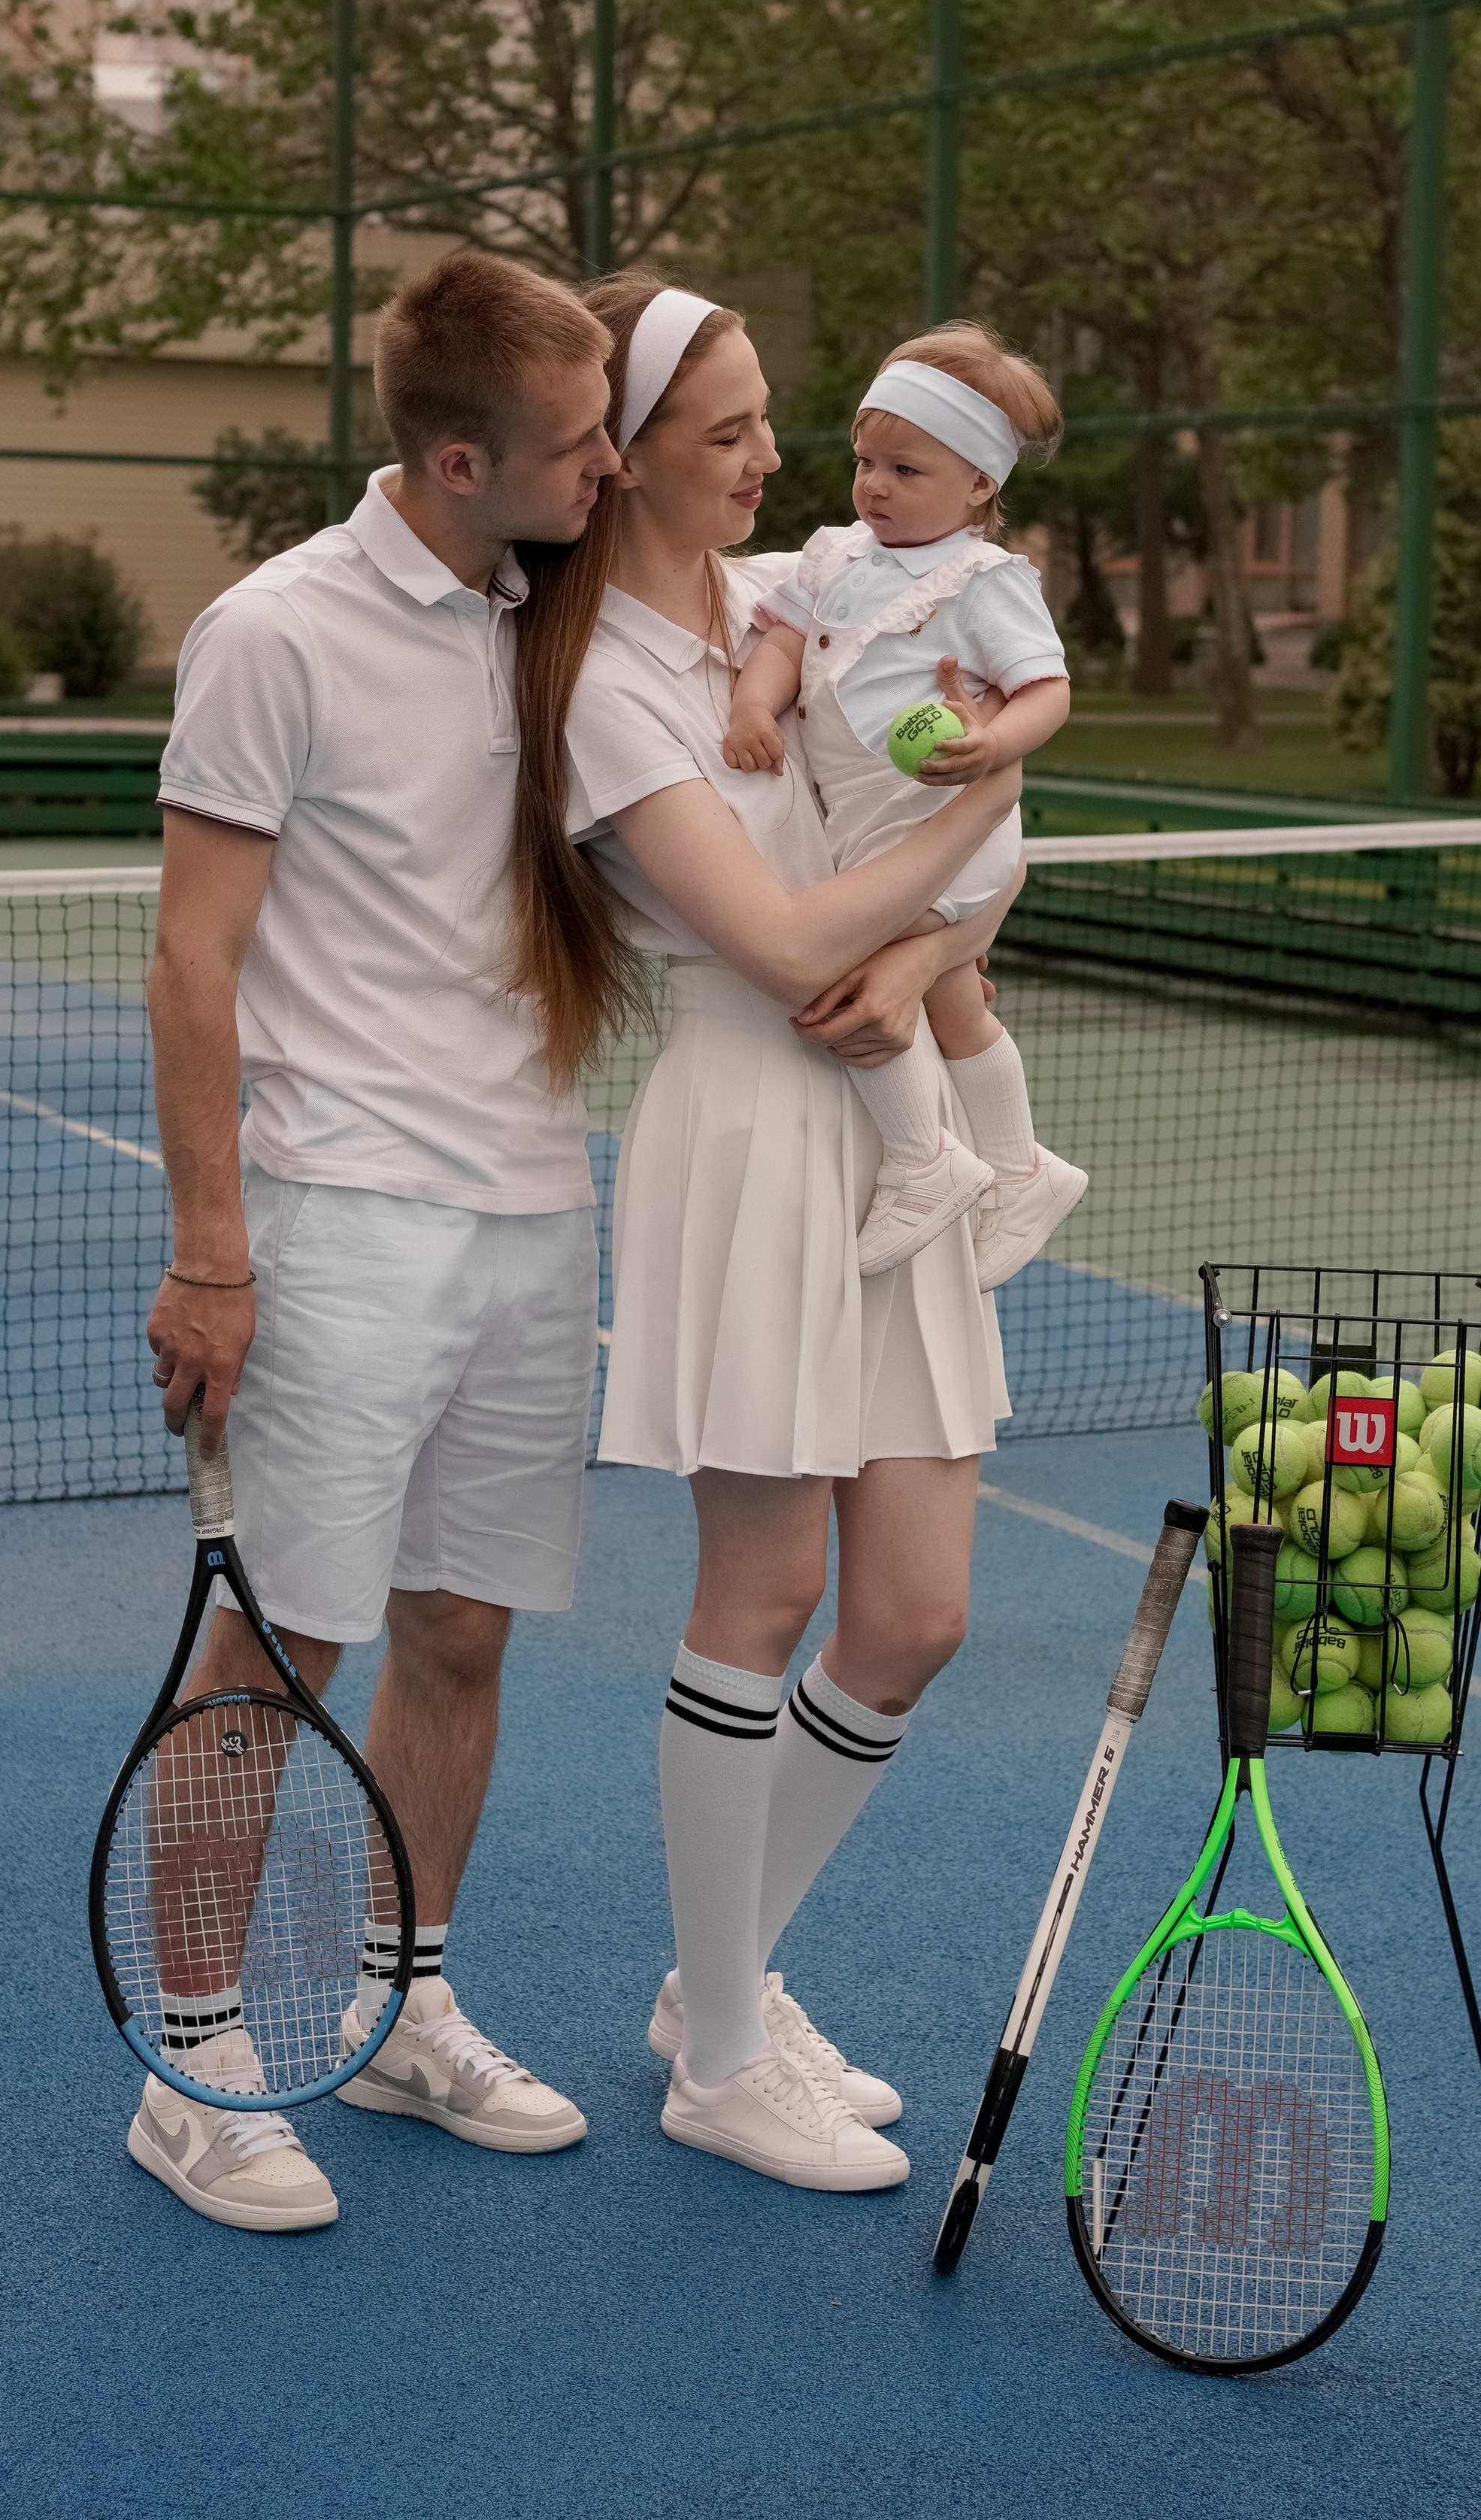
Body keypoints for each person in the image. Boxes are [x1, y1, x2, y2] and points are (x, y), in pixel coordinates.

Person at [507, 274, 1023, 2194]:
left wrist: (931, 933)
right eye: (724, 430)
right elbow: (784, 940)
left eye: (766, 422)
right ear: (618, 454)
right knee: (762, 1590)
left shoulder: (823, 592)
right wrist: (938, 878)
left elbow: (947, 858)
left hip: (887, 1121)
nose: (769, 457)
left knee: (913, 1611)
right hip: (743, 1121)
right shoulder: (600, 686)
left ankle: (709, 1982)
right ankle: (722, 2045)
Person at [135, 250, 622, 2232]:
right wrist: (213, 1249)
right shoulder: (275, 635)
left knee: (460, 1629)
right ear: (451, 457)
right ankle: (191, 2058)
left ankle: (402, 2012)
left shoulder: (557, 619)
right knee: (285, 1649)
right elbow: (194, 956)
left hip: (534, 1212)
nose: (611, 471)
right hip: (339, 1222)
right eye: (581, 445)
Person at [722, 321, 1088, 1282]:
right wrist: (754, 705)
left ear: (978, 487)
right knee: (953, 999)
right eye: (865, 461)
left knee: (852, 969)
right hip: (867, 827)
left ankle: (926, 1162)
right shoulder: (831, 558)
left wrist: (989, 744)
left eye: (906, 470)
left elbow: (1045, 691)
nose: (875, 485)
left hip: (943, 827)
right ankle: (1018, 1170)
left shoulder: (986, 581)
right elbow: (783, 648)